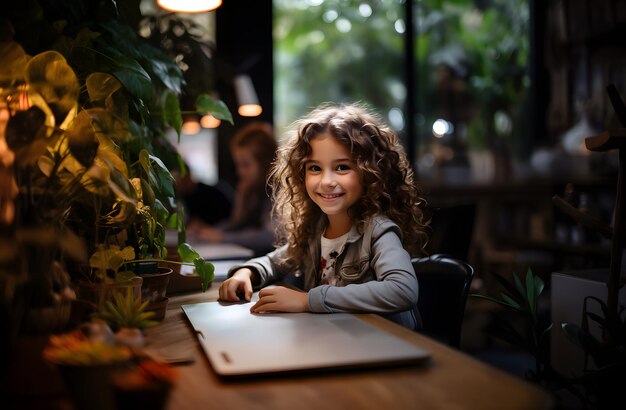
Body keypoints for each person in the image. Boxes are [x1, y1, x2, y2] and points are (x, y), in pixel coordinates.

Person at [218, 102, 430, 330]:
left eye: (341, 168)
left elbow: (402, 290)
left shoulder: (378, 230)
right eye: (315, 168)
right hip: (332, 340)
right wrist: (246, 272)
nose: (326, 182)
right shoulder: (316, 229)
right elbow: (275, 261)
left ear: (371, 172)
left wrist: (307, 301)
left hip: (382, 346)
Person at [185, 121, 278, 256]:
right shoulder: (255, 189)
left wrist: (222, 237)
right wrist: (207, 231)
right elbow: (239, 226)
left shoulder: (279, 190)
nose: (240, 172)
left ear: (265, 161)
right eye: (238, 165)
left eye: (245, 165)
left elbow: (270, 236)